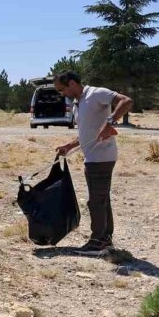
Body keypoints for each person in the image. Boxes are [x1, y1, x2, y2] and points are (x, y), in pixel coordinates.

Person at [53, 70, 133, 256]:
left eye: (62, 89)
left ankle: (98, 242)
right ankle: (105, 238)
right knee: (101, 199)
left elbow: (126, 101)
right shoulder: (77, 103)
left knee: (96, 201)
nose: (61, 94)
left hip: (102, 157)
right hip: (92, 157)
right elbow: (87, 134)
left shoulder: (96, 94)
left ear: (72, 83)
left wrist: (110, 122)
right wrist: (69, 146)